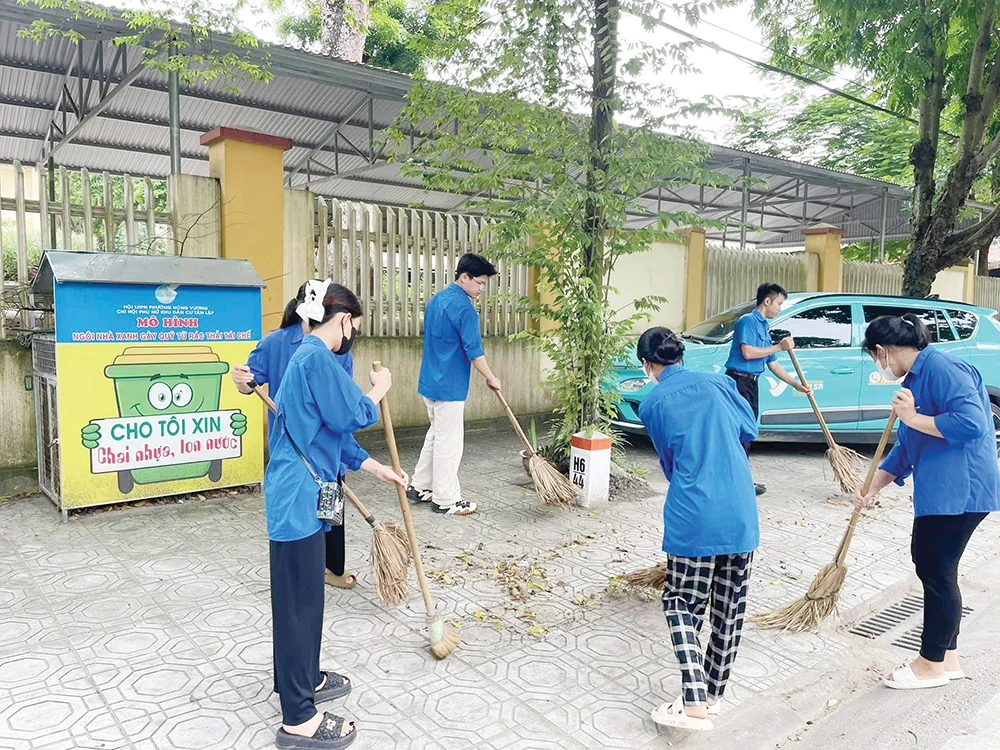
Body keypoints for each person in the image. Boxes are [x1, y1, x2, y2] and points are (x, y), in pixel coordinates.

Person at [265, 281, 406, 749]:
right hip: (296, 498)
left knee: (304, 600)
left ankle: (301, 681)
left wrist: (376, 467)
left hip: (303, 491)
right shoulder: (317, 358)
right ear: (343, 320)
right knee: (299, 605)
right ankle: (298, 719)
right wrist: (378, 390)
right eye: (356, 328)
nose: (354, 337)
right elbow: (352, 414)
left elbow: (334, 435)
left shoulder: (307, 357)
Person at [853, 313, 1000, 690]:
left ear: (883, 350)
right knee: (935, 568)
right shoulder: (916, 378)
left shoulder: (943, 369)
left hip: (961, 491)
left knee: (934, 570)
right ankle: (946, 657)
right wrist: (875, 485)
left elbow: (973, 424)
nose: (878, 366)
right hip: (942, 491)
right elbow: (908, 445)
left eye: (874, 357)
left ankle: (930, 663)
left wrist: (914, 417)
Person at [637, 326, 760, 732]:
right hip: (740, 510)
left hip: (694, 515)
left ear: (647, 365)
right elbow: (750, 431)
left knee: (681, 603)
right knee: (729, 608)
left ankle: (692, 701)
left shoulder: (652, 403)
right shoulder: (721, 383)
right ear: (681, 356)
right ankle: (712, 695)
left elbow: (669, 462)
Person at [231, 280, 359, 590]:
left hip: (329, 448)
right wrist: (242, 380)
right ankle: (306, 575)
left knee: (332, 506)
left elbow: (344, 404)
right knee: (303, 517)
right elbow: (249, 383)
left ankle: (333, 568)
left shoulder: (338, 348)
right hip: (294, 448)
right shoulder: (275, 343)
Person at [407, 253, 502, 516]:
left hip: (430, 381)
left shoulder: (437, 300)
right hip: (450, 386)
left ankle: (419, 486)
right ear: (464, 277)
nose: (482, 288)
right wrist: (491, 377)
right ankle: (446, 500)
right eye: (480, 283)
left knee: (436, 435)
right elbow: (474, 351)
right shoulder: (465, 309)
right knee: (449, 443)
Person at [725, 282, 810, 495]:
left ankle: (740, 480)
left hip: (751, 383)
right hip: (738, 382)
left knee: (747, 432)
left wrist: (795, 384)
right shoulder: (747, 321)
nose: (780, 308)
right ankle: (737, 482)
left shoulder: (764, 326)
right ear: (767, 301)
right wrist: (780, 346)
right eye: (779, 304)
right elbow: (748, 353)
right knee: (740, 432)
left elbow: (772, 363)